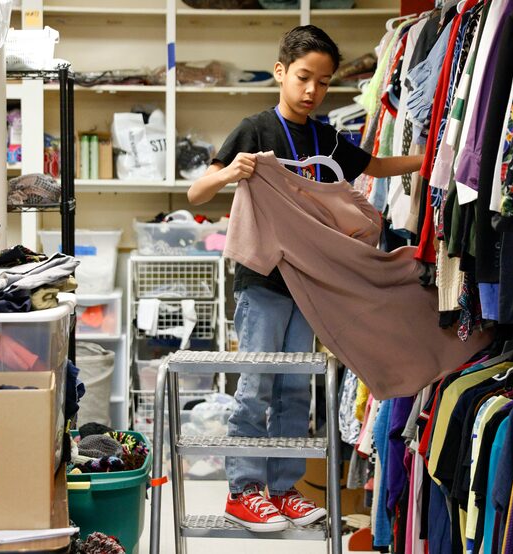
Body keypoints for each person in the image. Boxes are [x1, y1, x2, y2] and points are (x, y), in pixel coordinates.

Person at [187, 25, 424, 532]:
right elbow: (197, 193)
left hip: (312, 285)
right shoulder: (254, 130)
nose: (312, 90)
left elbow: (376, 166)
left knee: (296, 389)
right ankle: (244, 490)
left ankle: (283, 488)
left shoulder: (326, 138)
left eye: (323, 81)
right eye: (302, 77)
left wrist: (437, 160)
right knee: (255, 387)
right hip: (264, 282)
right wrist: (231, 173)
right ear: (280, 73)